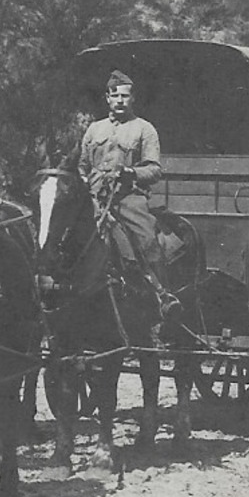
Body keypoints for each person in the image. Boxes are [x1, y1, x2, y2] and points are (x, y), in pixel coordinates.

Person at [70, 69, 179, 319]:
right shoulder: (94, 130)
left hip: (128, 199)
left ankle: (161, 295)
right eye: (115, 95)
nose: (120, 100)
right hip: (94, 199)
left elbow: (154, 170)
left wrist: (130, 172)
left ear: (133, 99)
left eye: (125, 96)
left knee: (146, 239)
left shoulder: (144, 130)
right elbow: (82, 165)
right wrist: (86, 182)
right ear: (107, 98)